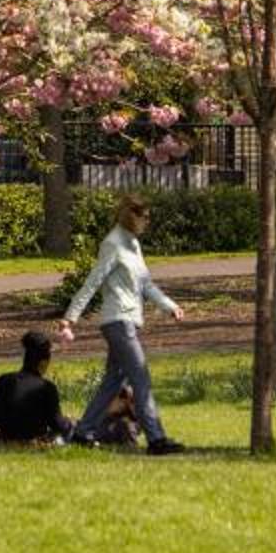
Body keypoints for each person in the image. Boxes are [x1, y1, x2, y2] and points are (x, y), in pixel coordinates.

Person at [60, 194, 187, 455]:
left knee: (113, 381)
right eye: (145, 217)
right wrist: (70, 316)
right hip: (118, 321)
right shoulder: (112, 244)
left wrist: (170, 306)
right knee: (140, 376)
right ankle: (156, 439)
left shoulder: (133, 244)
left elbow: (146, 284)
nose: (147, 222)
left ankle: (83, 432)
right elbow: (93, 282)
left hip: (129, 320)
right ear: (131, 215)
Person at [0, 328, 68, 447]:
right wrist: (69, 423)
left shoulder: (3, 380)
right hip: (33, 443)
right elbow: (57, 424)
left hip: (4, 441)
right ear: (44, 362)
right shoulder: (47, 387)